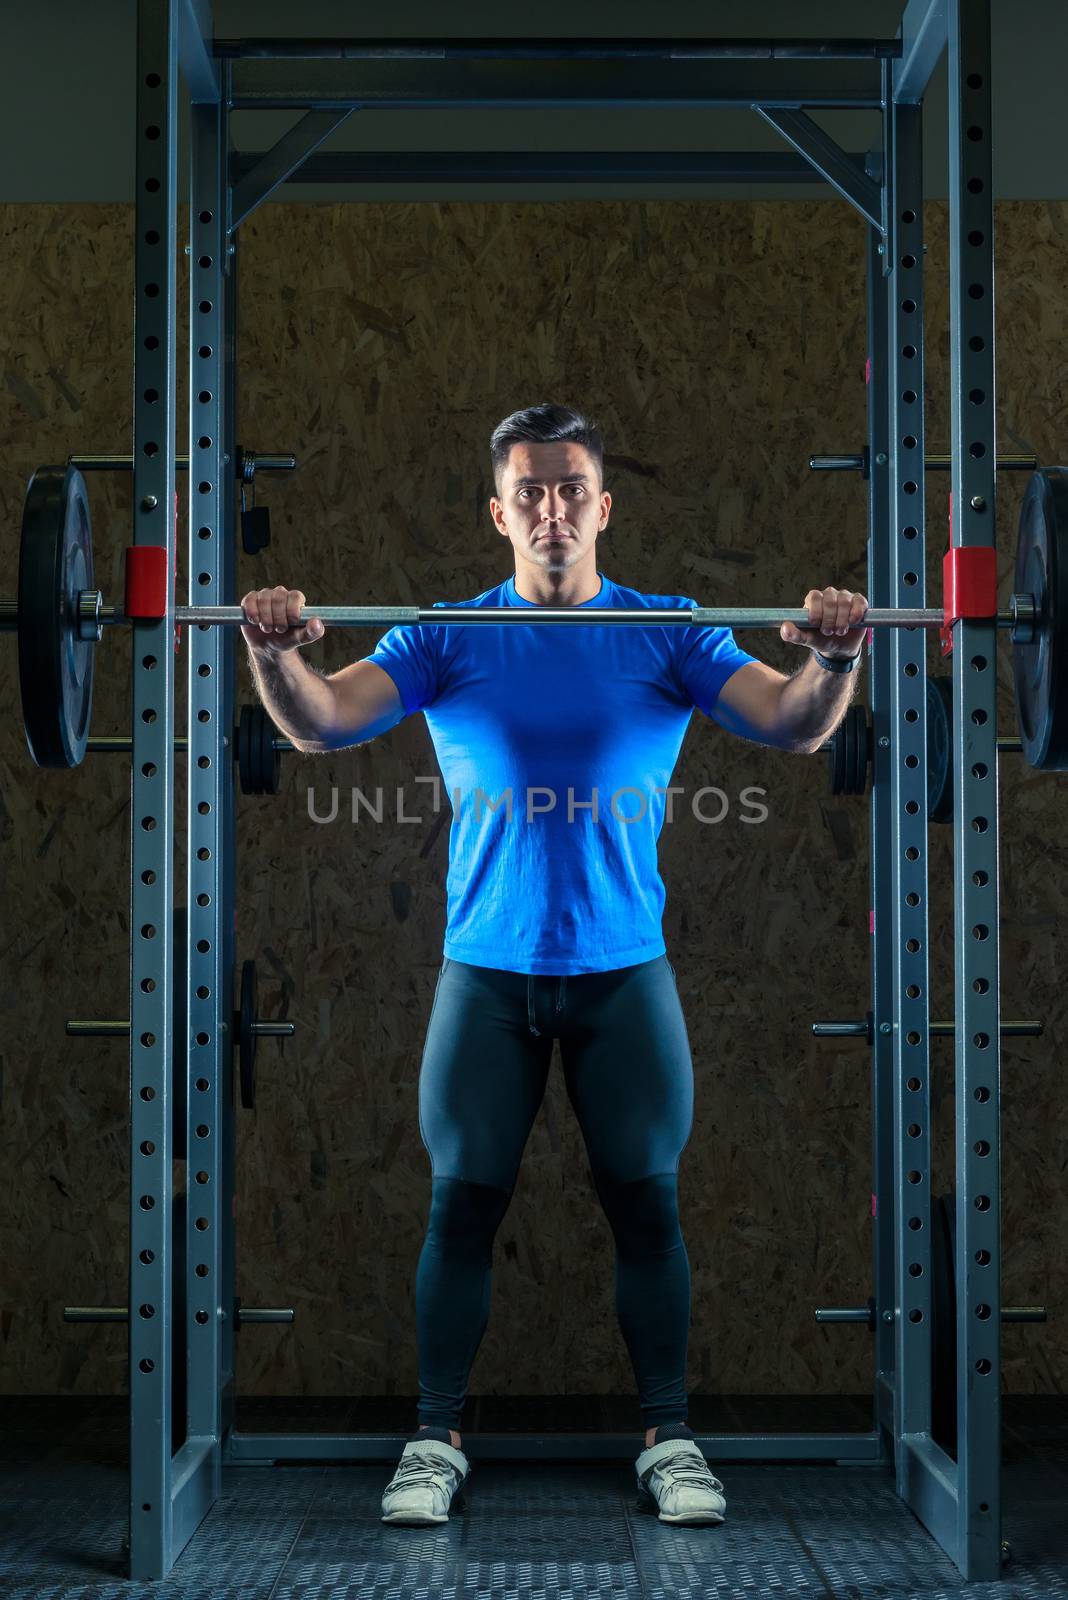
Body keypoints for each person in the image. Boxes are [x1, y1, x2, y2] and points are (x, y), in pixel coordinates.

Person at [240, 402, 867, 1529]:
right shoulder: (443, 635)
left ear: (604, 505)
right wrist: (273, 652)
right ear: (498, 512)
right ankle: (434, 1438)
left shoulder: (670, 630)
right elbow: (323, 722)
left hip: (624, 973)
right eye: (529, 490)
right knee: (460, 1214)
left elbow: (795, 724)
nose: (552, 507)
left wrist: (831, 653)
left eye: (571, 486)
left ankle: (670, 1437)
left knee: (648, 1214)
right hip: (485, 976)